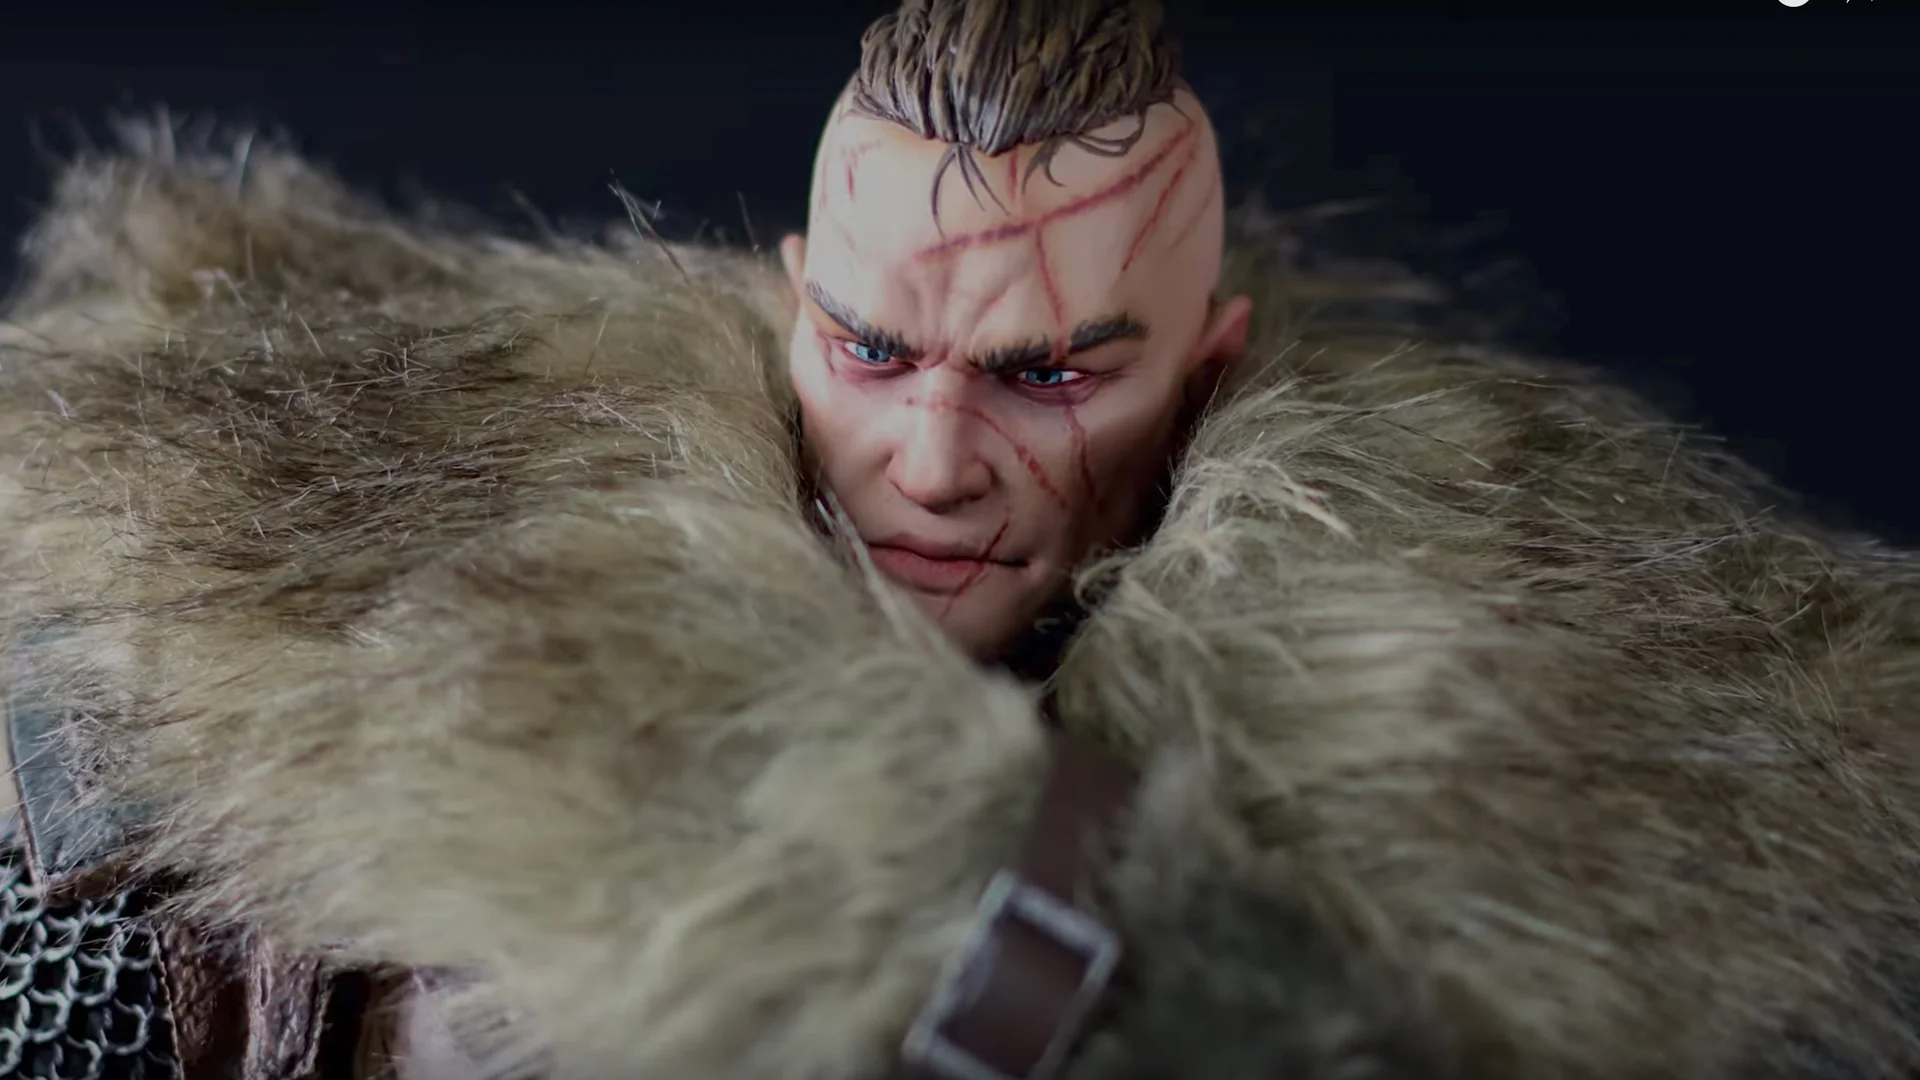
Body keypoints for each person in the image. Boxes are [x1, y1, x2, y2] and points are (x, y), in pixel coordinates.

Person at [3, 1, 1918, 1078]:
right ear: (790, 305)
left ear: (1207, 367)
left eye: (1047, 374)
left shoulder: (1522, 817)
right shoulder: (271, 624)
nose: (931, 461)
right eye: (870, 349)